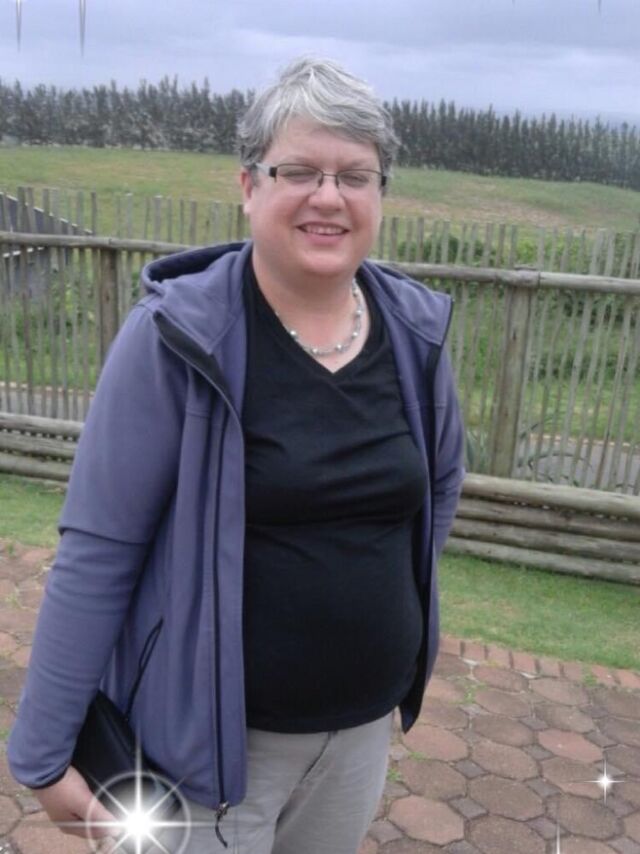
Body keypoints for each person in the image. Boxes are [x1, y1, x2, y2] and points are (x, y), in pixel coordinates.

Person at [8, 56, 465, 854]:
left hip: (358, 738)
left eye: (355, 176)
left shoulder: (414, 334)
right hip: (205, 761)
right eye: (300, 171)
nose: (329, 197)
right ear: (249, 185)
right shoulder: (176, 339)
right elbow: (99, 550)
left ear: (380, 195)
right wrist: (43, 756)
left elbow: (437, 494)